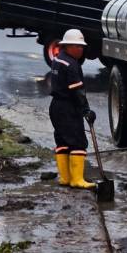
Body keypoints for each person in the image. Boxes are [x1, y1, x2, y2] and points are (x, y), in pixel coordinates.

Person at [49, 29, 97, 189]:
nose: (81, 50)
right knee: (77, 142)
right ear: (68, 46)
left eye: (82, 47)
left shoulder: (58, 59)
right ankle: (77, 179)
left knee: (62, 141)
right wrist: (86, 110)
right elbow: (78, 92)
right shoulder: (71, 65)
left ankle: (65, 178)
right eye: (78, 46)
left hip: (56, 107)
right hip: (68, 107)